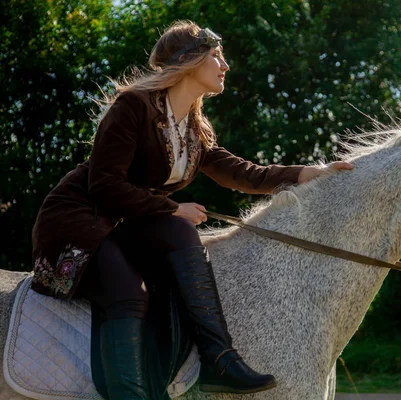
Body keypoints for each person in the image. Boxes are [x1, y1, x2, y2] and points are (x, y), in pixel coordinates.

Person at [30, 20, 354, 399]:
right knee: (130, 293)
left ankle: (220, 360)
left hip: (123, 224)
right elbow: (103, 187)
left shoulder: (194, 130)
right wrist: (171, 208)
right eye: (216, 56)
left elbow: (243, 173)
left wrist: (306, 174)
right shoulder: (132, 107)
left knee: (181, 230)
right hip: (77, 222)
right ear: (189, 61)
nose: (225, 65)